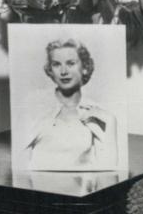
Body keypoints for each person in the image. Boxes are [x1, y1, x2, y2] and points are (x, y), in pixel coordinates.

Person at [26, 39, 119, 170]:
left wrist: (109, 122)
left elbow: (108, 171)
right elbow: (19, 165)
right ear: (50, 70)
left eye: (71, 63)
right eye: (56, 64)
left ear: (85, 68)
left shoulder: (99, 115)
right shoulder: (34, 108)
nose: (64, 71)